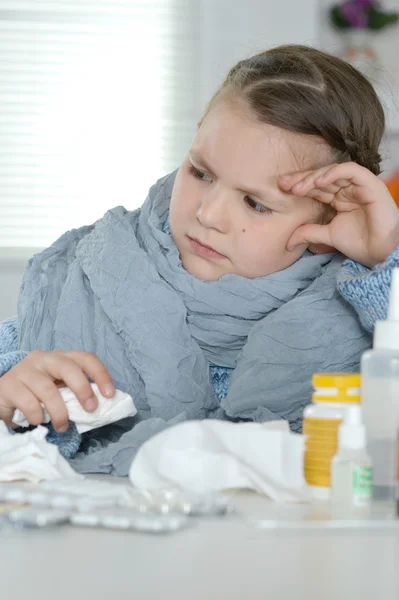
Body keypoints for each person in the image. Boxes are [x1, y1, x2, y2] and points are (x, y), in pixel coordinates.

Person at [1, 44, 399, 475]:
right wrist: (10, 389)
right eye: (201, 172)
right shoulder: (89, 274)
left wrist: (387, 257)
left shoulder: (363, 324)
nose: (207, 214)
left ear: (329, 221)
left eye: (255, 203)